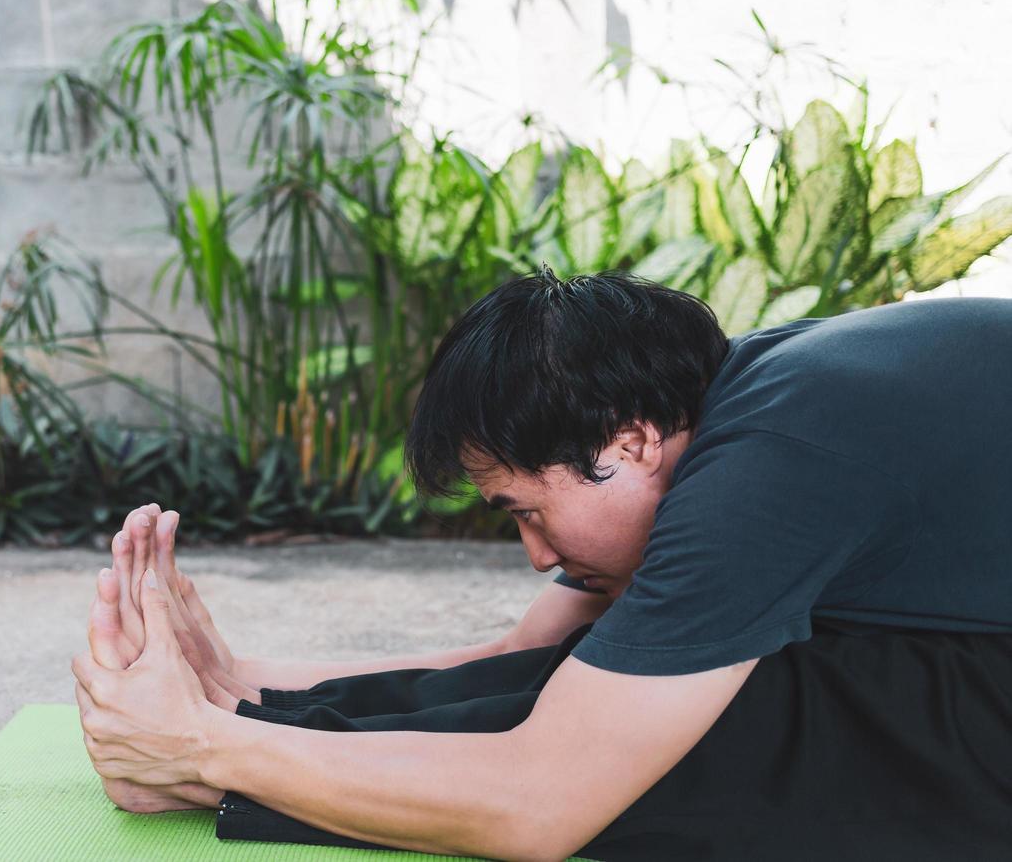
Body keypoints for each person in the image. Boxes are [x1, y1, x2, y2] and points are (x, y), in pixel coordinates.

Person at [72, 271, 1012, 861]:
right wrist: (243, 691)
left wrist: (205, 752)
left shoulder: (775, 452)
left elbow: (541, 803)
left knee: (734, 734)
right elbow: (525, 657)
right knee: (610, 693)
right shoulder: (712, 405)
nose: (534, 553)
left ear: (630, 441)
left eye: (526, 509)